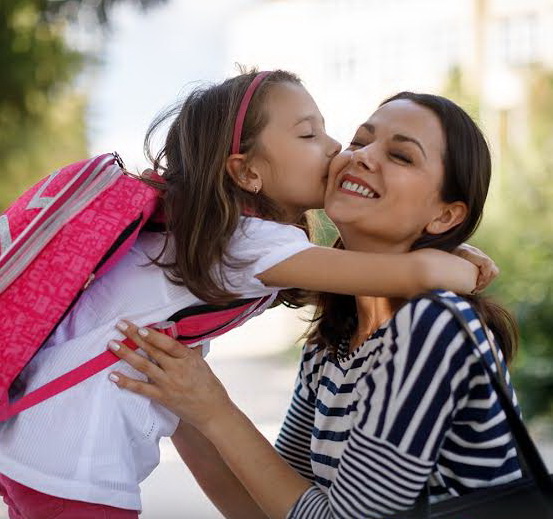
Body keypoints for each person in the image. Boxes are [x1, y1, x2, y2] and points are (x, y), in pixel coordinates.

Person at [0, 71, 491, 518]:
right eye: (318, 135)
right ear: (248, 173)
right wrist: (457, 260)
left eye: (400, 155)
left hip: (39, 448)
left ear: (446, 214)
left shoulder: (430, 332)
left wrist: (208, 407)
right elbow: (272, 504)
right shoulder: (284, 280)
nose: (348, 149)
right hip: (76, 459)